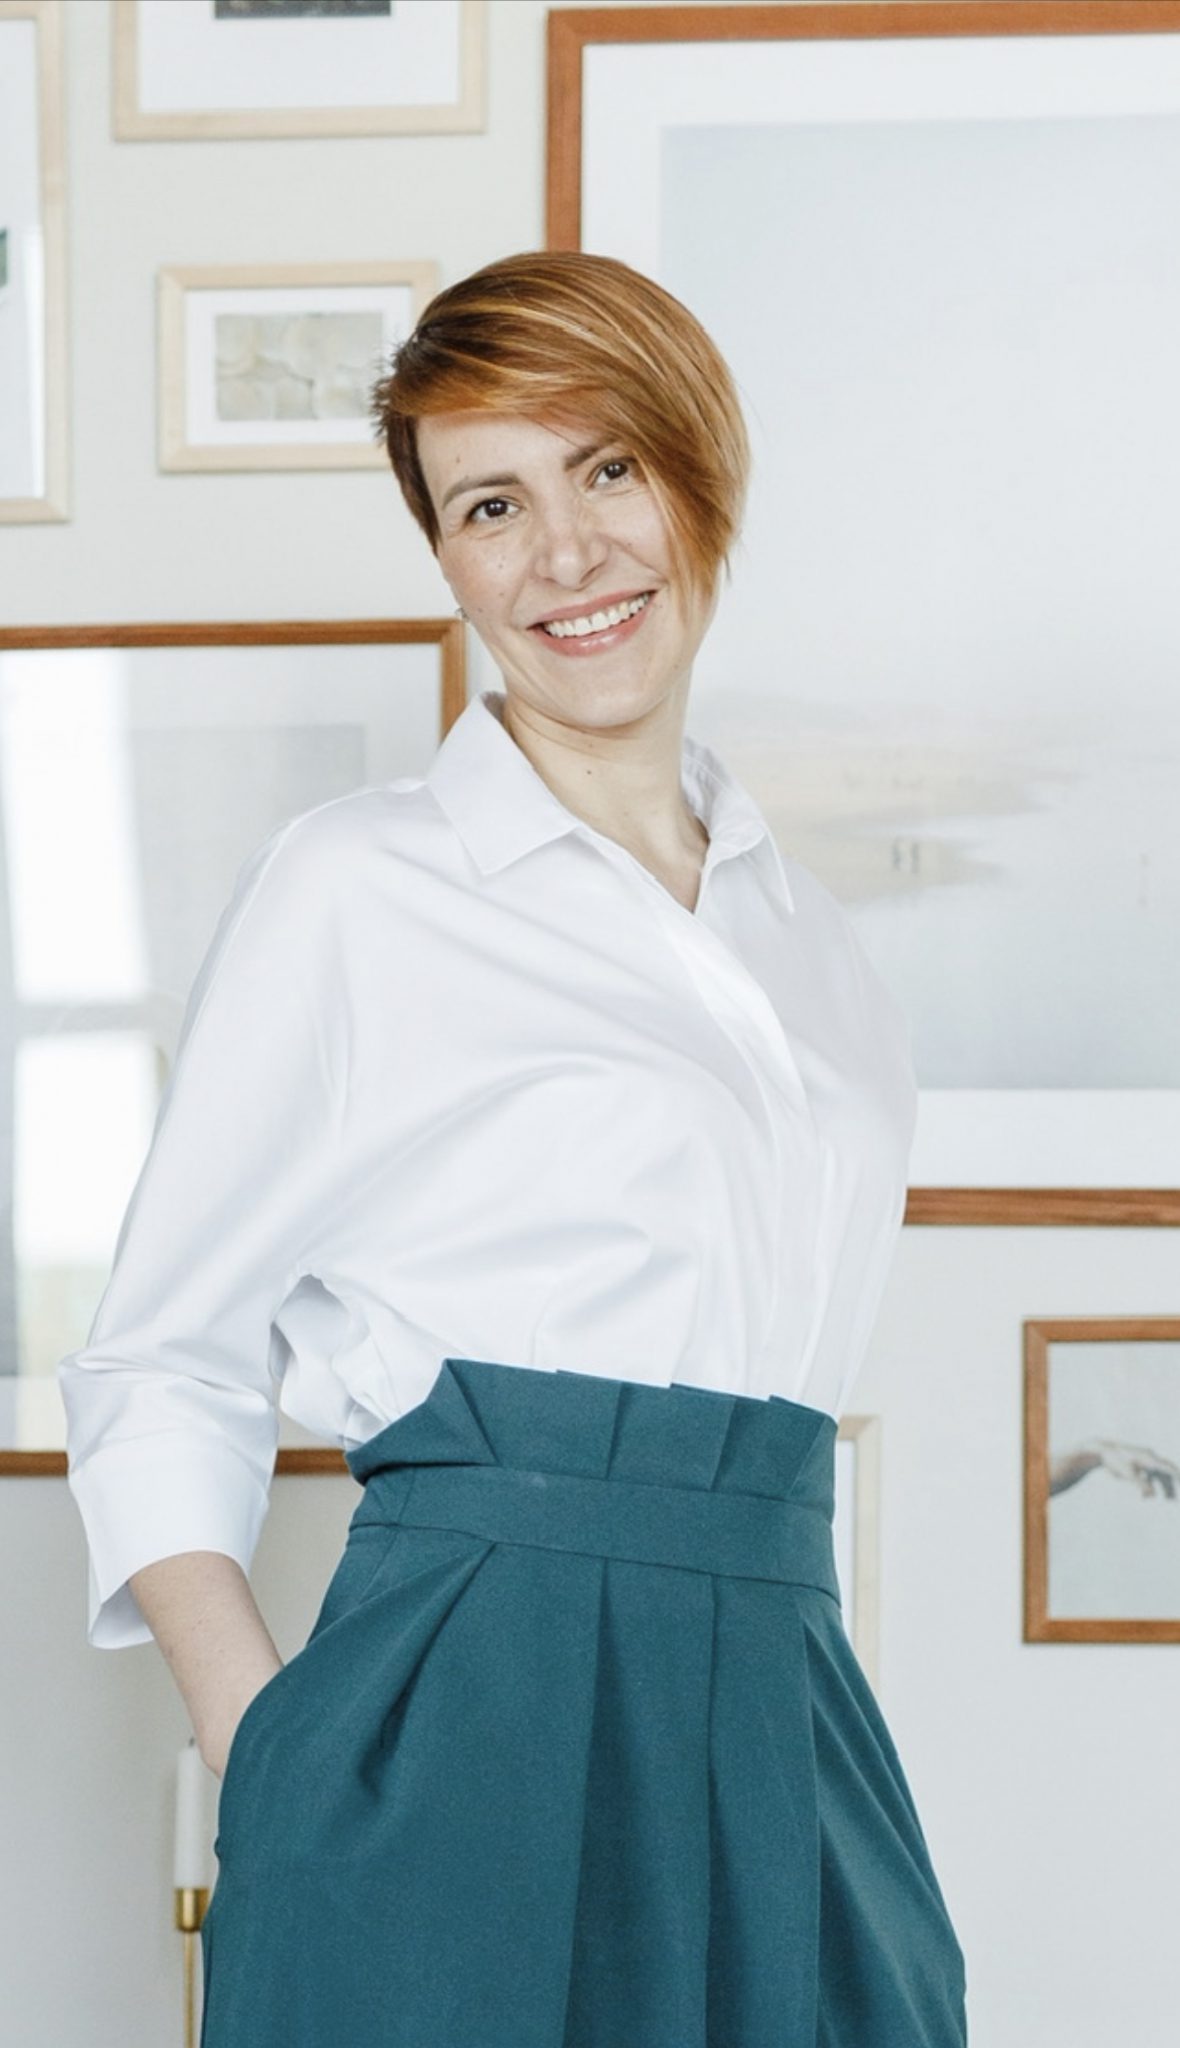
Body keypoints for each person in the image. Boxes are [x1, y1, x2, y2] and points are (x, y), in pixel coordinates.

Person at [58, 250, 969, 2046]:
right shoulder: (358, 888)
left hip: (786, 1690)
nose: (565, 553)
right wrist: (272, 1751)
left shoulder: (814, 951)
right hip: (463, 1711)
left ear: (702, 476)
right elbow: (158, 1360)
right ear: (448, 558)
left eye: (608, 469)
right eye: (491, 504)